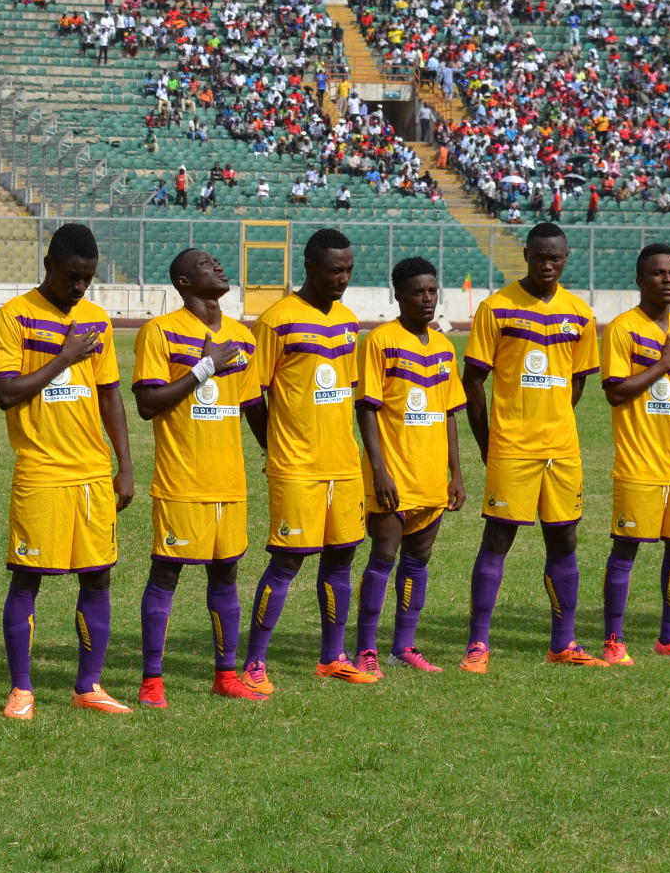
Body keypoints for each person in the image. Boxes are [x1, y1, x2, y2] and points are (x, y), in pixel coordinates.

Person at [0, 224, 135, 719]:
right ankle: (22, 690)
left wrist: (125, 465)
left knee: (97, 579)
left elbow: (110, 393)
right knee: (28, 579)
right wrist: (65, 356)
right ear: (49, 264)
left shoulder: (96, 319)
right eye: (72, 277)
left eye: (88, 280)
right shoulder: (15, 317)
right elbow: (6, 393)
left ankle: (88, 685)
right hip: (41, 469)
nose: (79, 288)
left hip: (93, 472)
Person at [460, 223, 605, 670]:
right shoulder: (497, 308)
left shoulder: (580, 314)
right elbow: (473, 381)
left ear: (566, 258)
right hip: (512, 447)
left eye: (556, 257)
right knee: (498, 539)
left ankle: (564, 643)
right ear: (525, 254)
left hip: (562, 449)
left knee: (565, 541)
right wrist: (489, 442)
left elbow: (577, 381)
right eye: (540, 256)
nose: (547, 264)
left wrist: (554, 416)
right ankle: (478, 645)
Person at [130, 250, 270, 707]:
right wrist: (204, 367)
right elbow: (148, 404)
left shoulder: (241, 336)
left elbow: (252, 408)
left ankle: (226, 674)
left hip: (229, 480)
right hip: (181, 479)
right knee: (166, 573)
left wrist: (275, 451)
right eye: (207, 263)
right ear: (184, 281)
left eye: (218, 261)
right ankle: (152, 680)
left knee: (226, 574)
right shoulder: (159, 332)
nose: (219, 265)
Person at [241, 228, 375, 692]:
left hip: (344, 464)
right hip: (297, 466)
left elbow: (346, 393)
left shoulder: (349, 320)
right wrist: (272, 445)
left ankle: (332, 656)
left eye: (349, 270)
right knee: (287, 563)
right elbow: (250, 395)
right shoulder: (276, 321)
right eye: (336, 270)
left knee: (341, 560)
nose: (343, 279)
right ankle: (255, 663)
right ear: (311, 267)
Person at [599, 244, 670, 664]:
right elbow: (615, 392)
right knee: (626, 551)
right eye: (657, 273)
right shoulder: (622, 329)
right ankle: (614, 640)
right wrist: (663, 364)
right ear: (640, 280)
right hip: (638, 464)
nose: (667, 279)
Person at [352, 258, 466, 676]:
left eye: (432, 290)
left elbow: (449, 412)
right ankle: (366, 649)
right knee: (383, 558)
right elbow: (366, 408)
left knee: (418, 561)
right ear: (398, 294)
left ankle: (404, 645)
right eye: (418, 291)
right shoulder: (380, 341)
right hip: (393, 476)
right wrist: (379, 470)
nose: (427, 298)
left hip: (432, 475)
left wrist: (456, 473)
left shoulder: (443, 347)